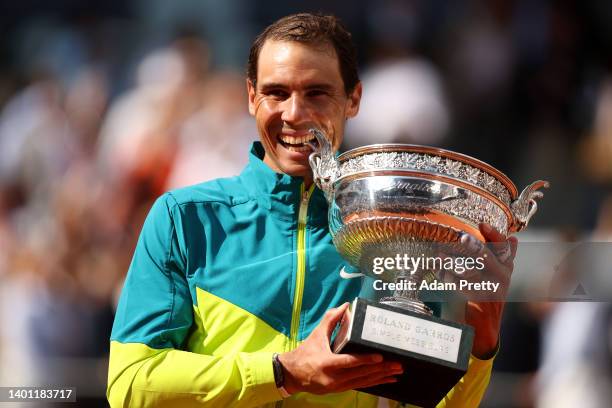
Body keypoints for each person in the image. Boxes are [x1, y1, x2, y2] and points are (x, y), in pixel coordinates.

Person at [107, 12, 517, 407]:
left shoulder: (397, 234)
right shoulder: (184, 218)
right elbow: (129, 385)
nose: (295, 114)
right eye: (276, 93)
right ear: (251, 97)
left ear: (353, 99)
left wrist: (481, 344)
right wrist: (283, 373)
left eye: (317, 93)